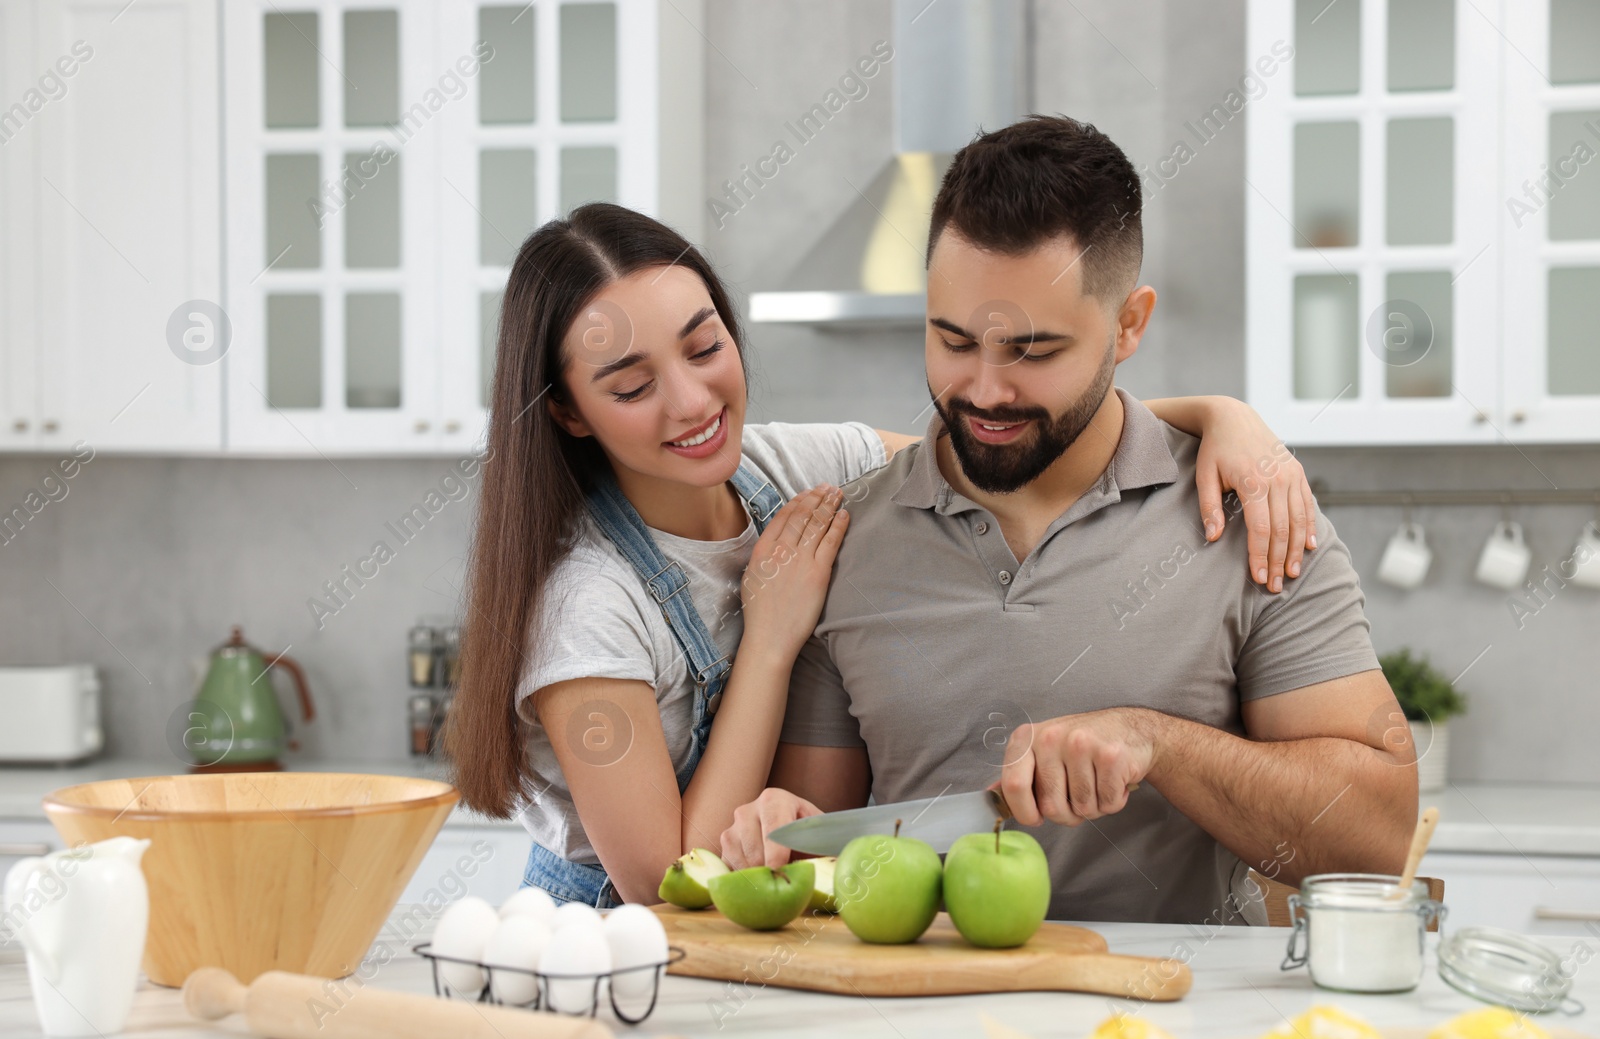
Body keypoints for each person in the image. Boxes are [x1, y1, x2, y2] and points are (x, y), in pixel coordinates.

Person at [443, 201, 1319, 907]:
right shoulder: (587, 603)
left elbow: (1009, 443)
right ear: (566, 411)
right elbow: (673, 879)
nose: (691, 399)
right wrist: (773, 637)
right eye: (632, 385)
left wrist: (1217, 417)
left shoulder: (787, 466)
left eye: (706, 346)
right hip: (607, 954)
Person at [722, 116, 1417, 925]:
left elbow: (1378, 839)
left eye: (1035, 351)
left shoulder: (1252, 511)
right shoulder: (846, 545)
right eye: (952, 340)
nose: (983, 390)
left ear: (1129, 323)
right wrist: (779, 832)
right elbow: (819, 859)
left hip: (1167, 1032)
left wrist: (1159, 743)